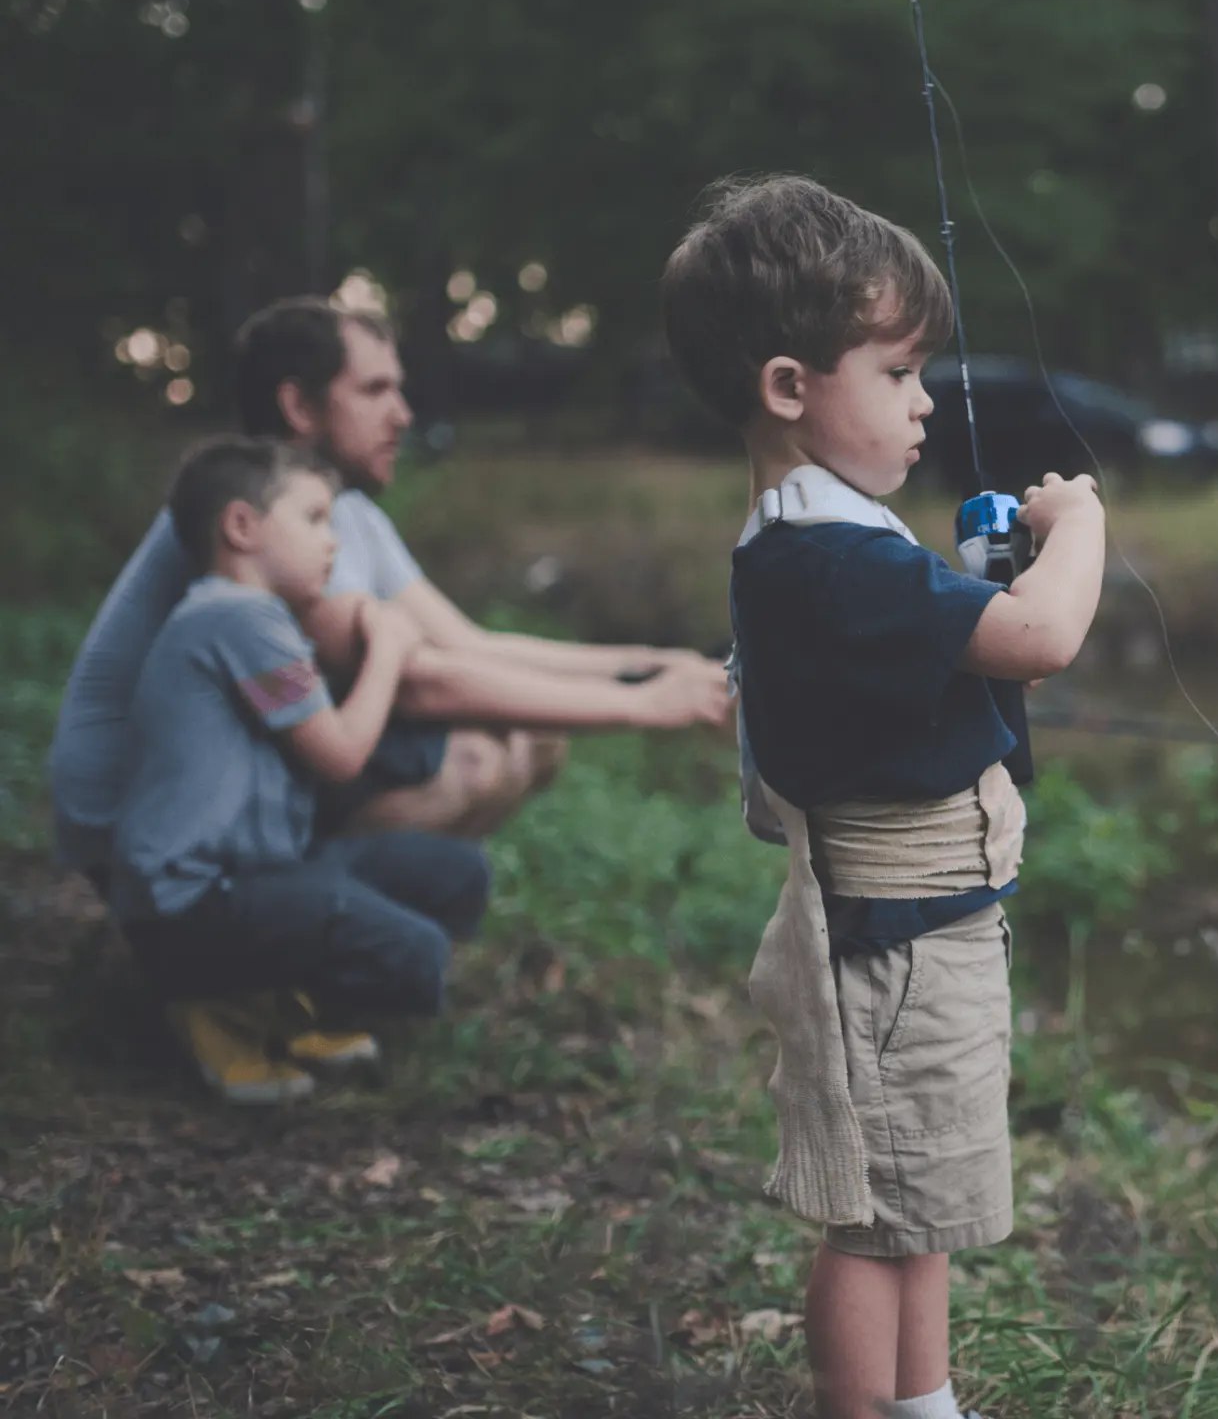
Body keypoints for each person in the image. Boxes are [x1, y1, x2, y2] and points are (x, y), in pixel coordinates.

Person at [661, 174, 1106, 1419]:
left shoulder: (831, 537)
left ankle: (927, 1404)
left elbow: (937, 658)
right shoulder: (825, 556)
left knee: (921, 1209)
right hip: (898, 950)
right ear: (791, 389)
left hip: (931, 935)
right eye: (898, 374)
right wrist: (1080, 526)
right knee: (876, 1218)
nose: (922, 405)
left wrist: (971, 572)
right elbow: (1038, 637)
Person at [48, 295, 734, 883]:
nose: (403, 415)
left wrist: (651, 662)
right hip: (136, 831)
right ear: (297, 404)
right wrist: (647, 706)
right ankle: (280, 966)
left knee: (530, 737)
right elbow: (422, 683)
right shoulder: (261, 532)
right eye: (374, 391)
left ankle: (363, 936)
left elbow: (468, 644)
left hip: (229, 791)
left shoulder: (340, 511)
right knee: (474, 756)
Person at [111, 434, 491, 1104]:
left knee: (459, 874)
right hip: (189, 906)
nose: (334, 542)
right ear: (241, 527)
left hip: (254, 878)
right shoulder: (239, 617)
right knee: (417, 956)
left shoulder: (249, 618)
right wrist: (391, 648)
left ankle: (268, 999)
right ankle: (220, 1008)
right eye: (315, 519)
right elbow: (342, 755)